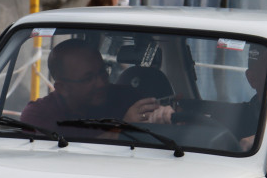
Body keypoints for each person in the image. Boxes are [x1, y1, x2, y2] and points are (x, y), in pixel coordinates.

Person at [21, 39, 173, 136]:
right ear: (62, 88)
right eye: (88, 79)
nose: (101, 83)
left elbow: (166, 122)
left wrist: (167, 116)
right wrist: (124, 128)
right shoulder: (39, 115)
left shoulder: (126, 98)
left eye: (102, 73)